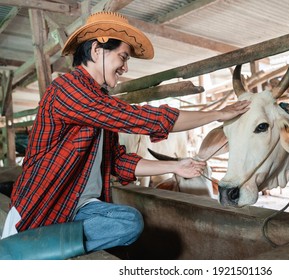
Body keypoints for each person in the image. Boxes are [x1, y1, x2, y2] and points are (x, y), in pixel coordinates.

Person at [1, 11, 250, 254]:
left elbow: (119, 163)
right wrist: (217, 114)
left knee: (129, 222)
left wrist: (175, 166)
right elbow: (136, 118)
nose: (125, 67)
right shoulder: (67, 89)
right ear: (97, 51)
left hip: (81, 210)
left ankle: (59, 244)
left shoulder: (99, 102)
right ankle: (31, 247)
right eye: (122, 57)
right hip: (46, 206)